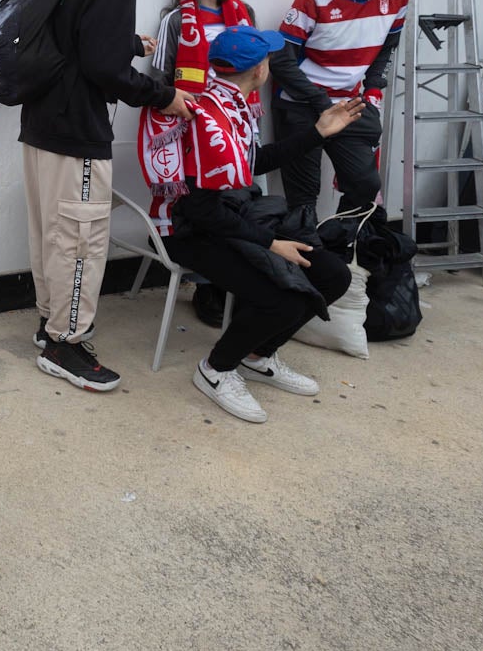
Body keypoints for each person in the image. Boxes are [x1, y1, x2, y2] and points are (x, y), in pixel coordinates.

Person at [141, 25, 363, 423]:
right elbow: (200, 211)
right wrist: (271, 243)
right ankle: (216, 369)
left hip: (230, 217)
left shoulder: (232, 103)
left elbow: (250, 164)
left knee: (333, 276)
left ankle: (257, 357)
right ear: (260, 69)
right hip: (188, 232)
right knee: (282, 296)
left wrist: (317, 133)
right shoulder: (211, 116)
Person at [19, 0, 193, 393]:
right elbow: (104, 70)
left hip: (41, 126)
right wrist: (163, 96)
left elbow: (78, 44)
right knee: (81, 242)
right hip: (78, 133)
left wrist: (128, 43)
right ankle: (66, 344)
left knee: (49, 233)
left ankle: (51, 325)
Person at [150, 0, 258, 327]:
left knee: (236, 204)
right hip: (192, 132)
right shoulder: (176, 19)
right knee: (202, 209)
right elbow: (160, 79)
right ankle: (207, 286)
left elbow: (255, 67)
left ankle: (233, 285)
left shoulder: (244, 13)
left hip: (236, 129)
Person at [269, 0, 409, 215]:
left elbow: (386, 49)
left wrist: (372, 91)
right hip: (301, 105)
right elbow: (282, 60)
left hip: (349, 104)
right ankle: (307, 257)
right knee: (304, 199)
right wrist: (320, 101)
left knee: (365, 185)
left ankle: (340, 252)